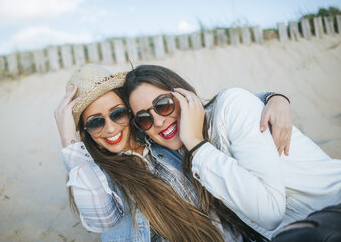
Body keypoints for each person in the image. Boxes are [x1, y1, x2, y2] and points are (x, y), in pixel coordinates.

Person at [54, 64, 292, 242]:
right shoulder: (98, 176)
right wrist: (68, 140)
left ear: (130, 112)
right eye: (96, 122)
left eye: (117, 114)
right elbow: (101, 217)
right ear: (85, 131)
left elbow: (207, 111)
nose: (111, 127)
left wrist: (273, 98)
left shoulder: (158, 135)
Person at [123, 64, 341, 240]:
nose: (159, 121)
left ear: (185, 95)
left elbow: (270, 213)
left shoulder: (230, 109)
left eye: (163, 104)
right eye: (144, 118)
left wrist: (197, 145)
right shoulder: (180, 153)